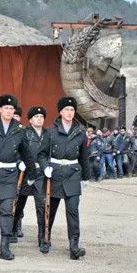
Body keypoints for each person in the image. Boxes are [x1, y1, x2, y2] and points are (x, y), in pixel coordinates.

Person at [0, 94, 37, 260]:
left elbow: (26, 154)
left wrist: (32, 173)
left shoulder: (19, 130)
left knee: (7, 210)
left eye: (12, 108)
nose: (9, 111)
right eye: (6, 108)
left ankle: (4, 247)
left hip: (9, 175)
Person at [37, 96, 90, 260]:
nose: (69, 112)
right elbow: (42, 154)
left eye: (72, 109)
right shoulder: (50, 132)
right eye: (66, 109)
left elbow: (84, 157)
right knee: (49, 210)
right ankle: (45, 238)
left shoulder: (81, 133)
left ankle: (74, 245)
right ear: (60, 111)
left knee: (73, 211)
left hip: (73, 174)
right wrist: (45, 167)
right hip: (54, 175)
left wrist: (85, 178)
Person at [10, 106, 47, 252]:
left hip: (41, 174)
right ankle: (13, 229)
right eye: (36, 117)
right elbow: (17, 151)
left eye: (41, 117)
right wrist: (20, 163)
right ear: (30, 120)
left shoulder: (48, 134)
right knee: (19, 204)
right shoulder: (23, 133)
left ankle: (42, 237)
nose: (39, 119)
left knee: (42, 206)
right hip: (25, 173)